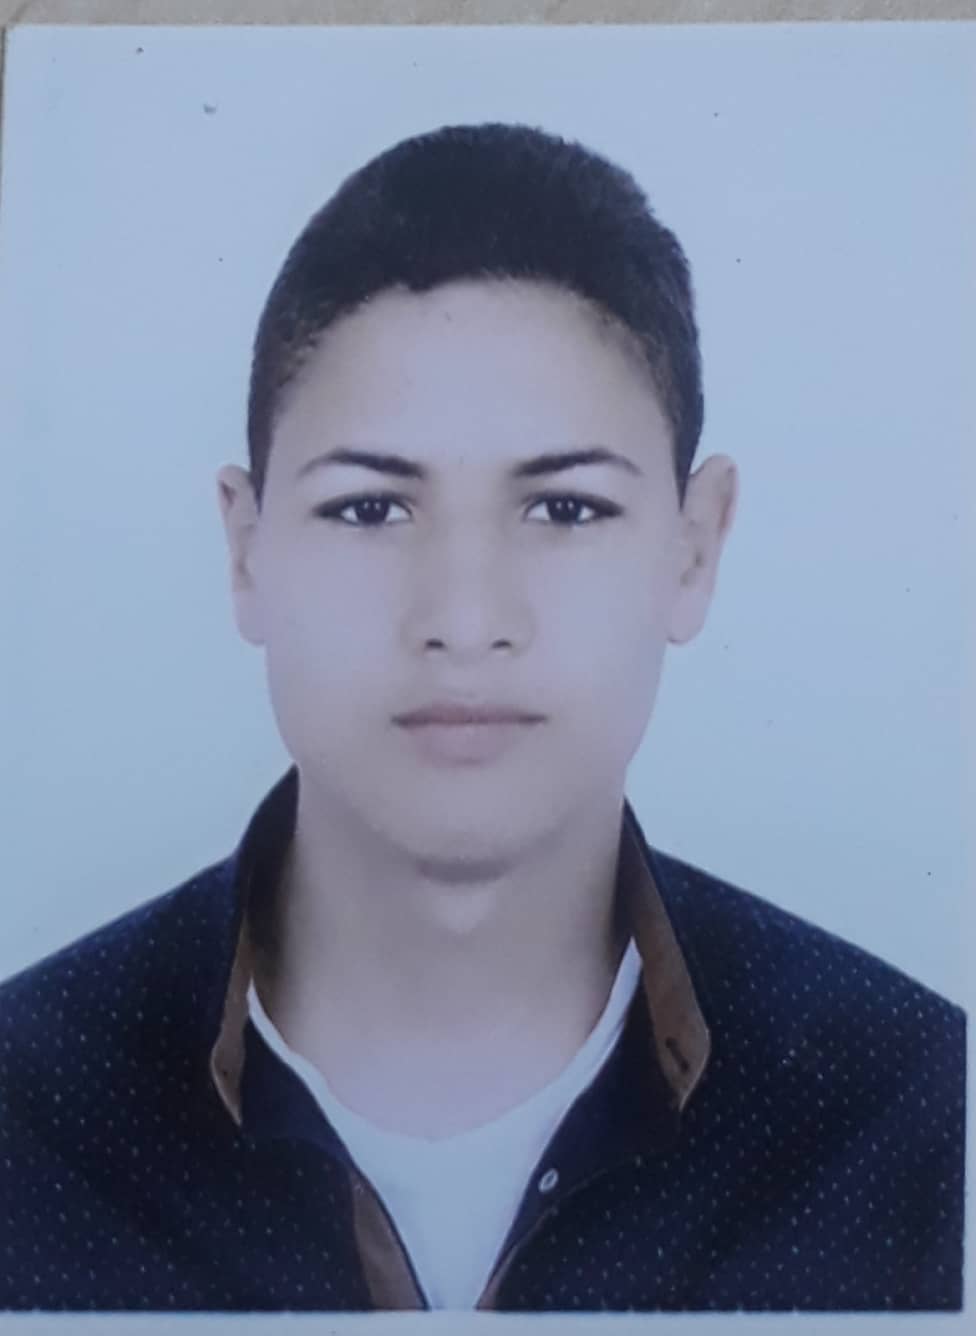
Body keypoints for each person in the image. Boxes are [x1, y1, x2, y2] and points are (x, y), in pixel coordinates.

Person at [0, 122, 965, 1314]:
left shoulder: (916, 1125)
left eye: (564, 508)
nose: (464, 619)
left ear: (694, 546)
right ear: (245, 550)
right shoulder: (29, 1113)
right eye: (369, 509)